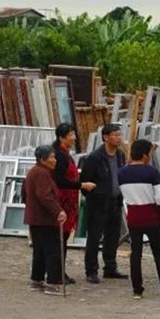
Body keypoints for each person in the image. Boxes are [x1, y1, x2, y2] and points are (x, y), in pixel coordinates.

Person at [119, 139, 160, 300]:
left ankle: (137, 290)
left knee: (136, 254)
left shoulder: (121, 173)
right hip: (152, 217)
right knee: (159, 255)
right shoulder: (151, 172)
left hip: (133, 217)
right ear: (145, 154)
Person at [79, 123, 129, 283]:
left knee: (113, 237)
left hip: (115, 202)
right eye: (115, 135)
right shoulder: (94, 158)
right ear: (106, 137)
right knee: (94, 237)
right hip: (98, 204)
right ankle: (91, 270)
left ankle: (110, 268)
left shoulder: (120, 155)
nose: (118, 138)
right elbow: (84, 183)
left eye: (120, 134)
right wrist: (96, 194)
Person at [52, 123, 96, 284]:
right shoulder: (60, 156)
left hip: (68, 200)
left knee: (62, 238)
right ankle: (56, 273)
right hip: (63, 200)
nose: (74, 138)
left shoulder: (65, 154)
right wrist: (80, 185)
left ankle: (59, 271)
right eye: (70, 135)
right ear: (62, 137)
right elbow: (60, 180)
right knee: (59, 239)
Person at [24, 145, 67, 296]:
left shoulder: (33, 172)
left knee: (40, 251)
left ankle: (37, 280)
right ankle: (52, 283)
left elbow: (25, 194)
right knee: (52, 251)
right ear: (43, 159)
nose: (54, 160)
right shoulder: (42, 173)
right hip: (45, 219)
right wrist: (58, 211)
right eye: (52, 157)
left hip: (35, 218)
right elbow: (45, 195)